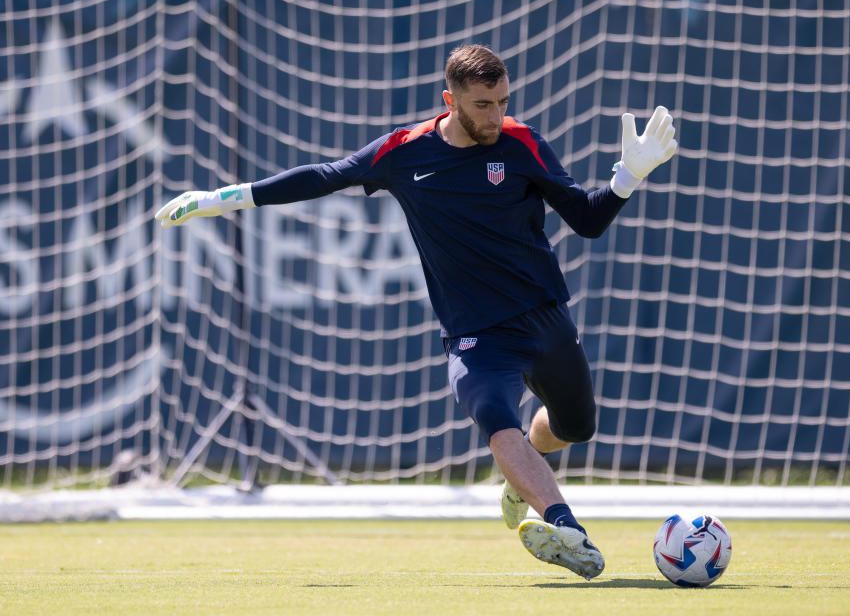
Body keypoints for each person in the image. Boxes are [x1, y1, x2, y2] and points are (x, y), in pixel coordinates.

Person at [155, 45, 677, 580]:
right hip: (474, 333)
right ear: (449, 100)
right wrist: (224, 197)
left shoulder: (522, 143)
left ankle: (522, 480)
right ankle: (568, 531)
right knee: (497, 419)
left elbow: (586, 221)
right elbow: (323, 176)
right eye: (482, 105)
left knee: (576, 427)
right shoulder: (404, 151)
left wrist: (626, 178)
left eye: (502, 101)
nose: (495, 116)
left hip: (544, 316)